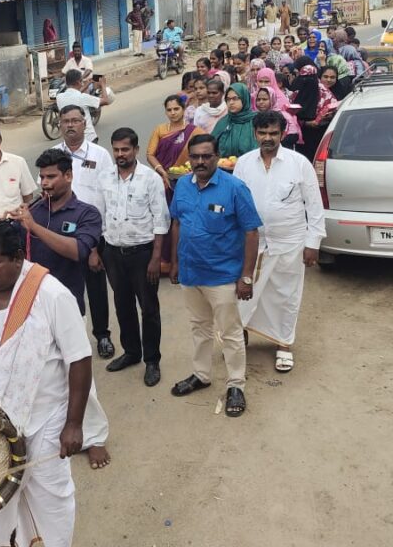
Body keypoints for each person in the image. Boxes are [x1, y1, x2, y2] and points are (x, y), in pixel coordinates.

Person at [0, 220, 91, 547]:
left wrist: (73, 423)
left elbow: (79, 359)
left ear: (17, 257)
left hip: (43, 421)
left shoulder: (52, 294)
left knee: (50, 499)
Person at [9, 148, 111, 470]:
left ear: (68, 176)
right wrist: (8, 224)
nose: (45, 182)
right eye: (42, 177)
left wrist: (34, 228)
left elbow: (77, 251)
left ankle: (94, 436)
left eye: (52, 176)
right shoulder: (34, 210)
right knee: (37, 374)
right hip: (31, 308)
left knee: (80, 376)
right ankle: (39, 433)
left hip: (69, 310)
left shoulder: (86, 213)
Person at [168, 135, 261, 417]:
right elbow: (177, 223)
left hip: (222, 275)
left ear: (217, 157)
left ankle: (236, 385)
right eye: (195, 156)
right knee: (199, 327)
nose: (200, 162)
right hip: (190, 273)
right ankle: (201, 375)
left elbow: (251, 232)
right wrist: (174, 262)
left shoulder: (235, 188)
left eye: (206, 156)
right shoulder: (183, 185)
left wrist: (246, 277)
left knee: (230, 333)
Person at [233, 111, 325, 374]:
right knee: (245, 290)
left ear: (283, 134)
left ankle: (284, 344)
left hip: (290, 241)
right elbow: (236, 204)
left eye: (273, 133)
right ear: (255, 133)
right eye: (262, 133)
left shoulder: (299, 163)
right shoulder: (244, 163)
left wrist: (313, 242)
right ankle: (242, 332)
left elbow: (314, 205)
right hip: (253, 241)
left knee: (287, 295)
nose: (268, 138)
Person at [99, 128, 171, 387]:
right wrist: (100, 251)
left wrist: (156, 258)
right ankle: (131, 352)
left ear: (136, 150)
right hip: (113, 253)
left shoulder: (150, 179)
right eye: (116, 149)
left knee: (149, 308)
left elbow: (161, 220)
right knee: (122, 305)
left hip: (142, 254)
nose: (120, 154)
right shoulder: (105, 178)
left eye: (125, 149)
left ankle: (152, 360)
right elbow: (101, 215)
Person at [54, 106, 116, 360]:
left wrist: (97, 245)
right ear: (60, 125)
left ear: (84, 124)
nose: (70, 125)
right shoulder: (53, 155)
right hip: (62, 236)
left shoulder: (100, 155)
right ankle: (68, 339)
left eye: (75, 121)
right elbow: (46, 193)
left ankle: (102, 335)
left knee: (96, 289)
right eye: (65, 121)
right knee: (65, 291)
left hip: (93, 235)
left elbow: (109, 195)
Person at [146, 95, 203, 274]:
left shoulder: (195, 131)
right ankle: (165, 260)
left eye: (176, 109)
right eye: (169, 110)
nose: (172, 113)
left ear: (183, 109)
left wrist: (191, 170)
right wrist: (161, 171)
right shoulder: (160, 130)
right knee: (164, 218)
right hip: (163, 182)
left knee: (185, 220)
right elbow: (150, 154)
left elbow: (203, 153)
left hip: (187, 183)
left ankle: (185, 259)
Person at [55, 69, 112, 143]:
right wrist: (103, 85)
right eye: (81, 81)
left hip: (71, 140)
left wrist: (86, 85)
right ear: (78, 82)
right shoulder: (83, 97)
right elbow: (106, 100)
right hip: (88, 138)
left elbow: (74, 95)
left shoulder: (59, 97)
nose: (82, 83)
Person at [212, 83, 258, 159]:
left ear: (244, 98)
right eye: (228, 99)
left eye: (235, 98)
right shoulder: (223, 122)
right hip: (224, 165)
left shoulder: (256, 121)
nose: (231, 103)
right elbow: (211, 145)